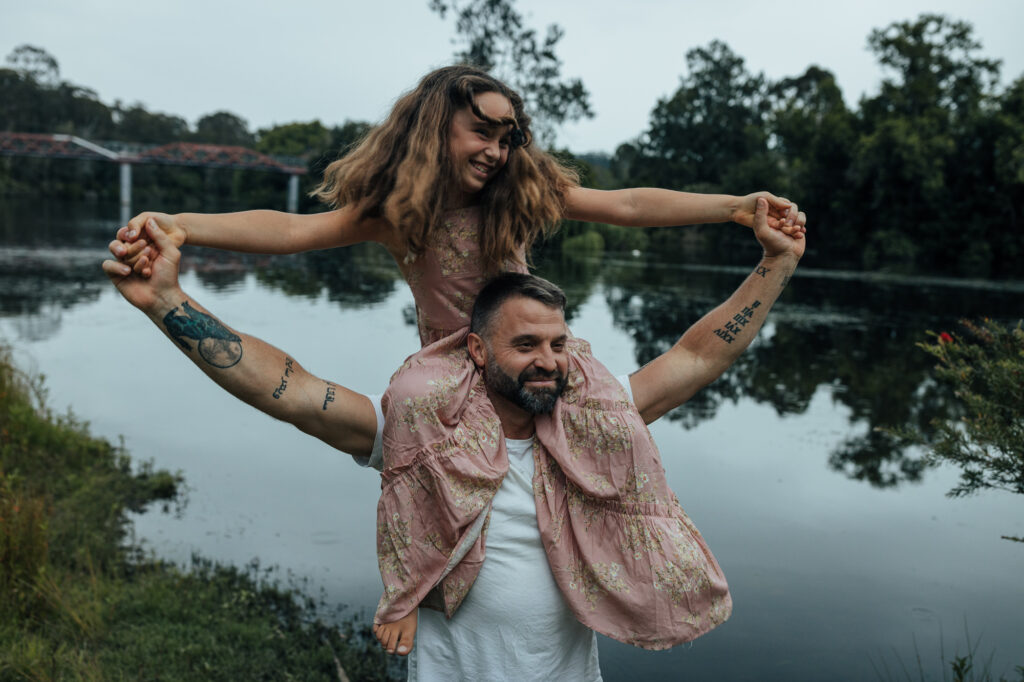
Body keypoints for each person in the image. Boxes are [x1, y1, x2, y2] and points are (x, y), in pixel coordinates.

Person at [107, 65, 807, 655]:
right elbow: (292, 230)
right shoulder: (395, 209)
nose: (497, 150)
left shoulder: (522, 193)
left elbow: (625, 204)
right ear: (433, 129)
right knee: (410, 415)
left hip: (525, 348)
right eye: (482, 131)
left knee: (614, 418)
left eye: (508, 137)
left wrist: (733, 207)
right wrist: (181, 226)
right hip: (449, 360)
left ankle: (637, 544)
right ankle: (413, 585)